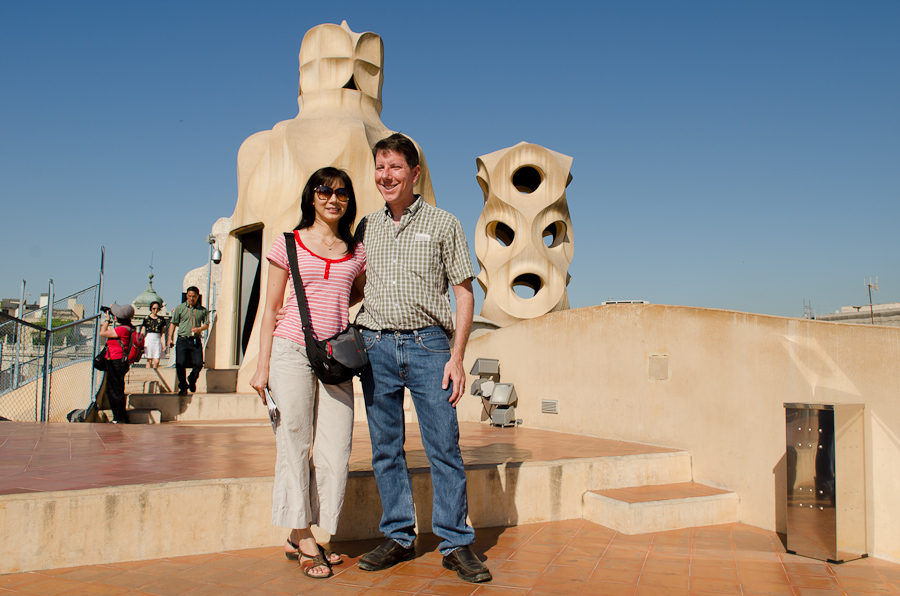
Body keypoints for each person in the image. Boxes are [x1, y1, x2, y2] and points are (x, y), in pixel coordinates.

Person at [354, 134, 491, 583]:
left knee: (444, 448)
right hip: (376, 347)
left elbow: (464, 293)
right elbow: (352, 286)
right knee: (385, 450)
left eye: (394, 167)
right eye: (379, 167)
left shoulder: (444, 222)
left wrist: (457, 356)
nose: (385, 176)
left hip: (430, 346)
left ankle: (455, 542)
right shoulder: (366, 226)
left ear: (415, 173)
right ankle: (398, 536)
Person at [250, 167, 366, 579]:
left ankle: (308, 530)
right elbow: (270, 309)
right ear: (311, 196)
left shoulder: (356, 252)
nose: (332, 198)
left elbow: (356, 291)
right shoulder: (288, 244)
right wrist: (261, 365)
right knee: (294, 442)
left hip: (336, 356)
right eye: (324, 190)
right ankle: (302, 535)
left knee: (336, 449)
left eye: (341, 193)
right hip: (290, 351)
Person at [98, 303, 137, 424]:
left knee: (115, 391)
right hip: (119, 361)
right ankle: (120, 417)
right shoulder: (129, 328)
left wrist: (106, 321)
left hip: (116, 362)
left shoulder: (121, 330)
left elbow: (102, 333)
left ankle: (119, 418)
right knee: (116, 389)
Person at [167, 287, 208, 396]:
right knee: (180, 364)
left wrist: (200, 329)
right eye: (189, 296)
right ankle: (183, 386)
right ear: (186, 296)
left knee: (199, 364)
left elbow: (206, 324)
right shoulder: (180, 308)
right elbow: (173, 323)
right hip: (182, 339)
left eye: (193, 296)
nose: (191, 298)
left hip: (195, 340)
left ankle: (192, 378)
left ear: (197, 297)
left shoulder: (202, 310)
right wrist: (169, 337)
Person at [140, 301, 167, 369]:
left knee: (157, 360)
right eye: (154, 308)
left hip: (157, 340)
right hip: (149, 339)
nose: (155, 310)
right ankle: (148, 375)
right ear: (151, 309)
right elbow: (142, 331)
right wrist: (141, 341)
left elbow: (163, 333)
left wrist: (164, 343)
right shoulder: (146, 318)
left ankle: (154, 373)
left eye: (157, 308)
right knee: (149, 360)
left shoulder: (161, 319)